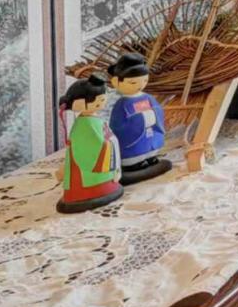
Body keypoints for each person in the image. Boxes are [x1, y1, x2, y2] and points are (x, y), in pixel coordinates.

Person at [56, 76, 123, 213]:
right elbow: (90, 148)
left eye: (103, 100)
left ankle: (105, 186)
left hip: (101, 159)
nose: (103, 103)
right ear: (80, 104)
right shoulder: (85, 124)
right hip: (86, 169)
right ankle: (91, 192)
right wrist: (110, 142)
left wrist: (110, 140)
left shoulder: (93, 119)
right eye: (99, 102)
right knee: (83, 178)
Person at [105, 52, 171, 184]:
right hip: (132, 142)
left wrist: (153, 115)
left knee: (151, 146)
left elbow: (158, 110)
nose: (140, 85)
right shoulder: (122, 104)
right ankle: (134, 164)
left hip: (150, 133)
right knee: (134, 153)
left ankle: (151, 158)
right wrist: (142, 119)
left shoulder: (148, 97)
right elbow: (119, 126)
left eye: (144, 80)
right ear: (116, 82)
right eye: (133, 82)